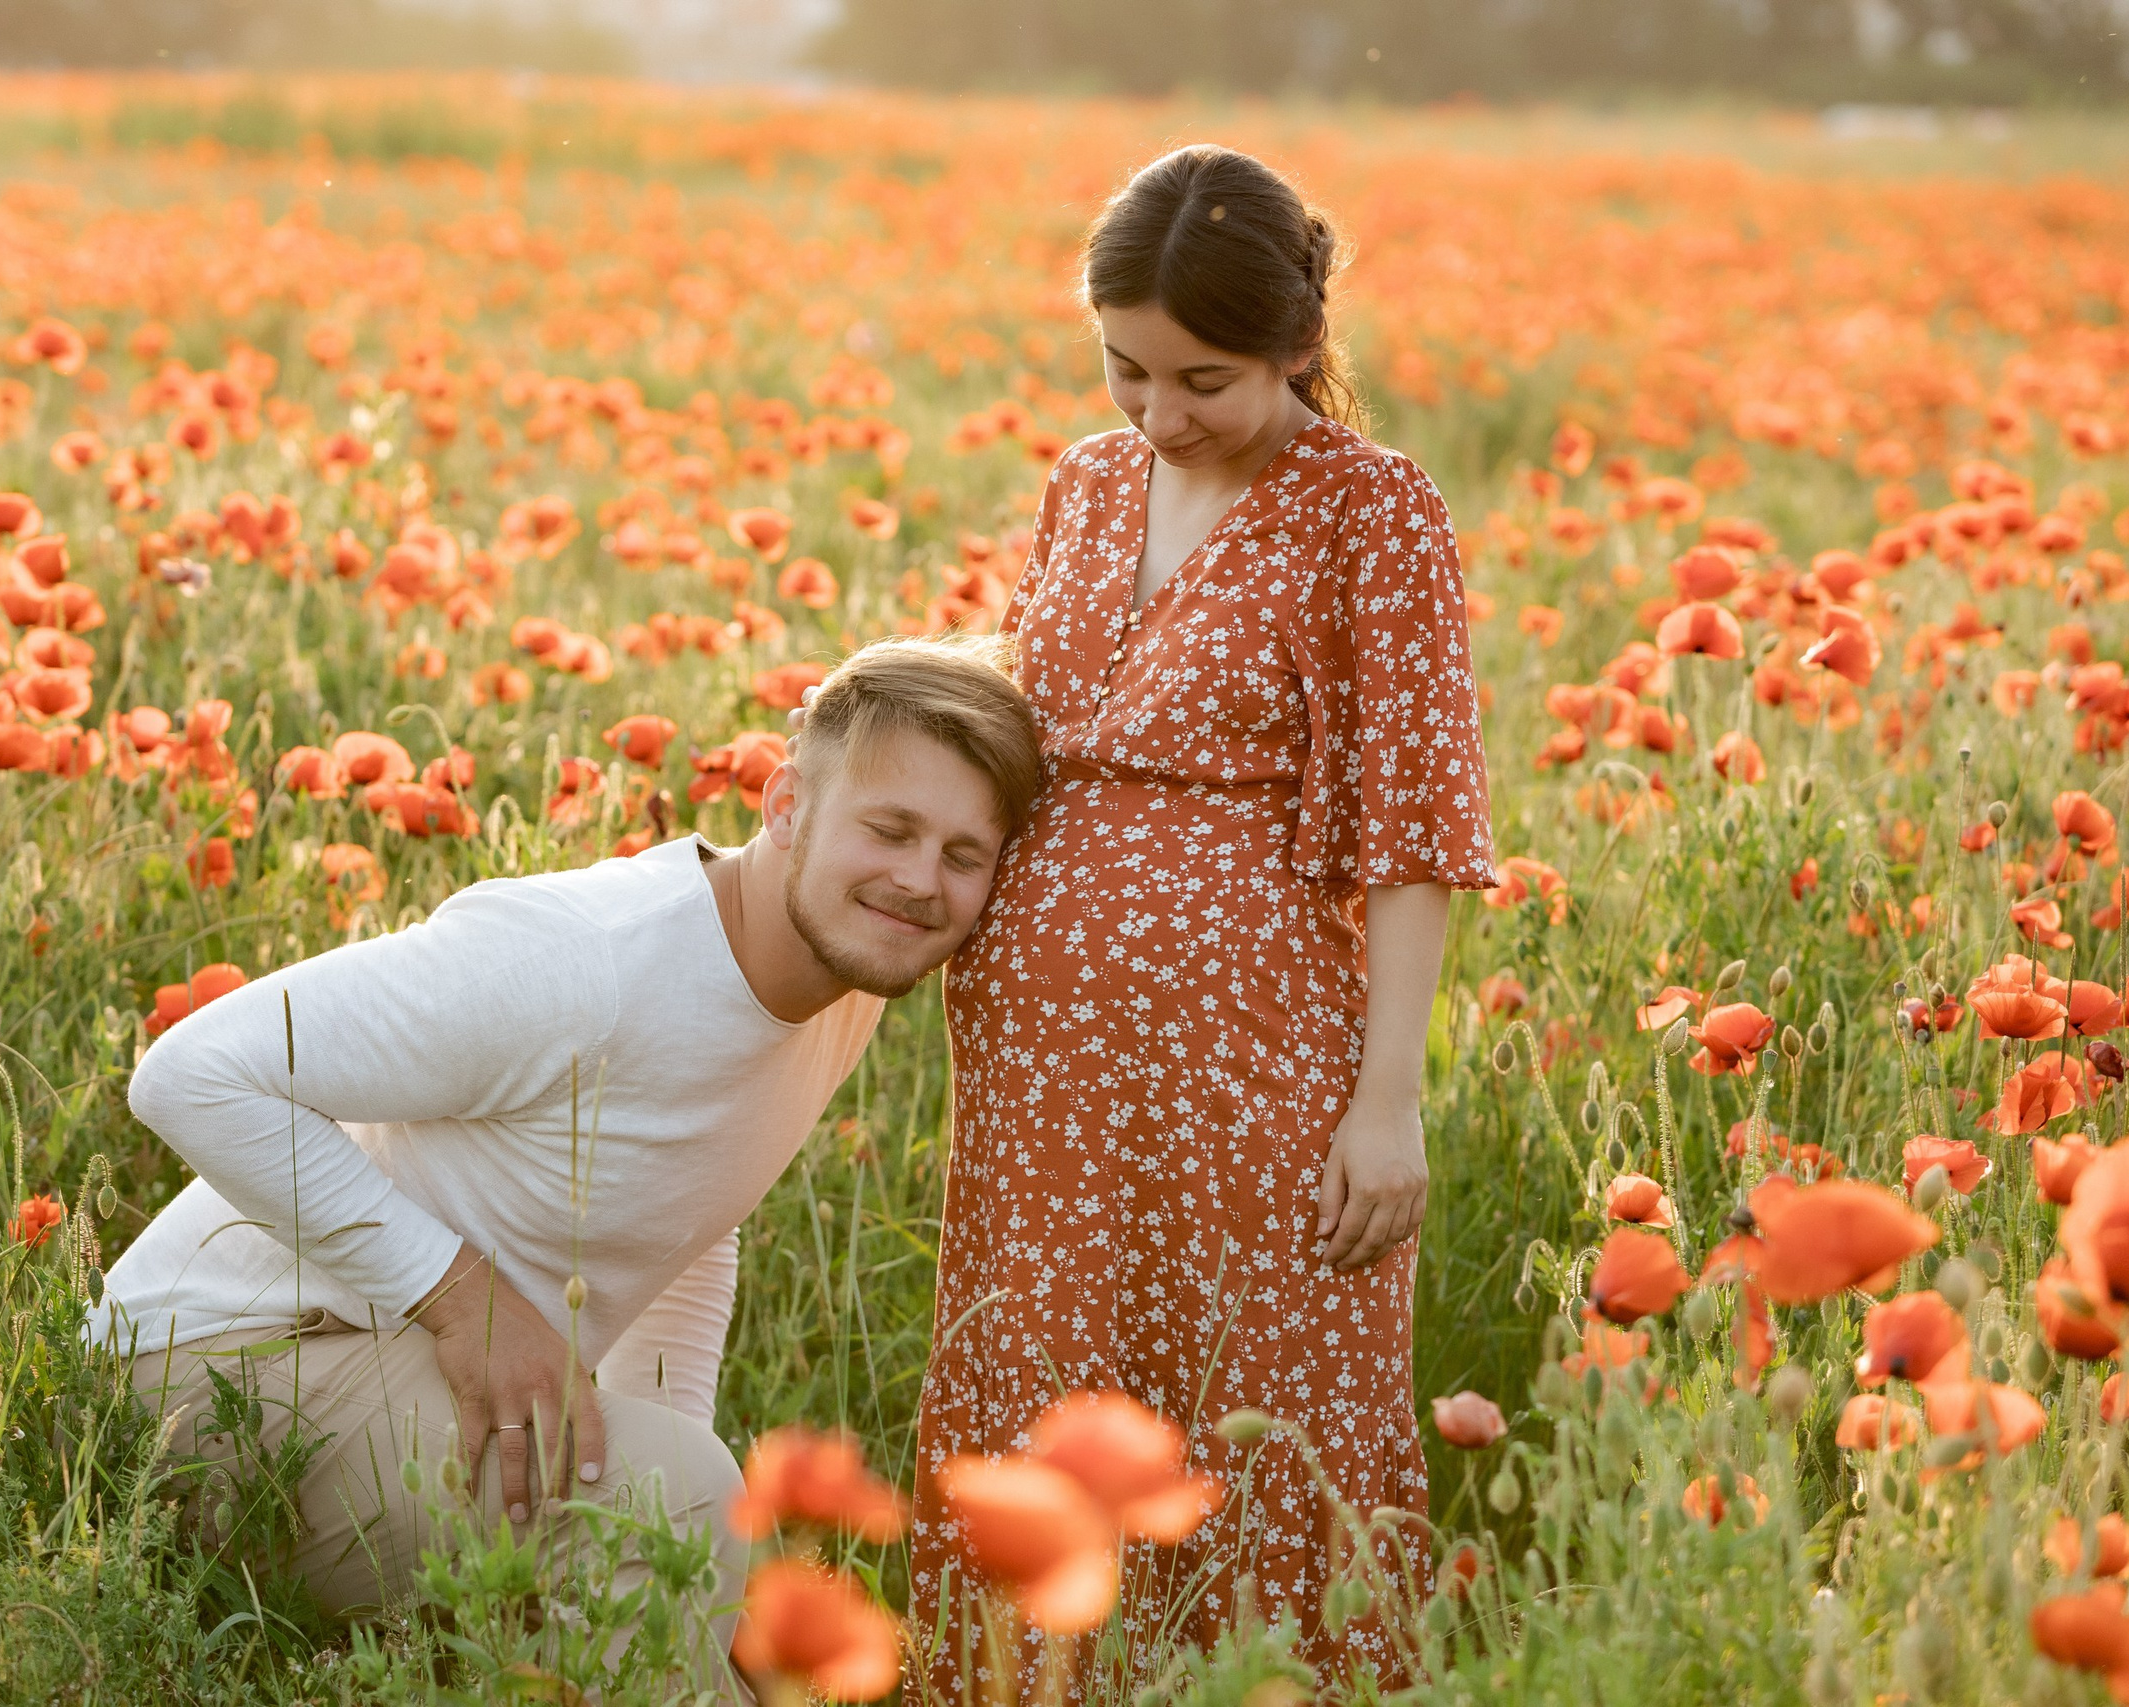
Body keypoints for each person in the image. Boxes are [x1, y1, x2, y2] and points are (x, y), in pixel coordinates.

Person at [91, 635, 1041, 1684]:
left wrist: (679, 1505)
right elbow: (190, 1075)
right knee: (671, 1503)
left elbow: (694, 1215)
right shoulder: (582, 959)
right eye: (890, 829)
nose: (918, 882)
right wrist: (461, 1297)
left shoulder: (845, 979)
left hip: (380, 1373)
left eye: (963, 856)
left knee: (723, 1593)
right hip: (198, 1388)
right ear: (786, 806)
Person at [909, 144, 1498, 1695]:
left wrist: (1388, 1103)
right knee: (1045, 1362)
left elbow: (1417, 826)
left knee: (1263, 1375)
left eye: (1204, 379)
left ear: (1300, 345)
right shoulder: (1087, 482)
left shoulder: (1372, 508)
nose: (1161, 415)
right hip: (1042, 1055)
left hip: (1261, 1048)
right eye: (1126, 368)